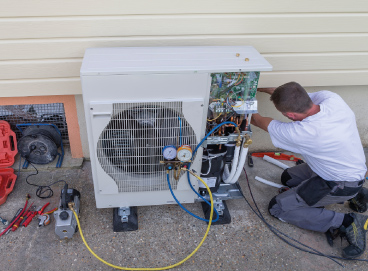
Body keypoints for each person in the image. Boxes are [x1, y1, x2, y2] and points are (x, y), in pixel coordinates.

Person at [251, 82, 368, 259]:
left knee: (278, 208)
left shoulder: (305, 132)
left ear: (289, 114)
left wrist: (242, 99)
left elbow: (256, 119)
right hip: (345, 168)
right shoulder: (332, 99)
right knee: (288, 178)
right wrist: (265, 89)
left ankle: (347, 222)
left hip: (338, 182)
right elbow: (294, 96)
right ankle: (356, 194)